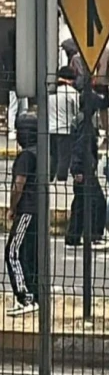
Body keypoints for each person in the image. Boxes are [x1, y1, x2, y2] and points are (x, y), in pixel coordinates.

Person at [66, 96, 109, 251]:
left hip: (82, 167)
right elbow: (80, 147)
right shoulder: (84, 123)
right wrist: (78, 169)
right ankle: (94, 237)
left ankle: (73, 237)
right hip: (84, 169)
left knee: (80, 203)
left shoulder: (79, 119)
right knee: (97, 202)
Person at [5, 113, 39, 316]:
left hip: (26, 209)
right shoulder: (41, 153)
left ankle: (25, 297)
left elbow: (19, 184)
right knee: (30, 253)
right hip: (38, 209)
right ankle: (34, 294)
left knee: (12, 252)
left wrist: (12, 207)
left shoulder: (26, 156)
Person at [48, 66, 79, 182]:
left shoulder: (51, 91)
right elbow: (77, 111)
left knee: (52, 156)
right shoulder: (71, 92)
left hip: (50, 129)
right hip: (65, 130)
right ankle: (61, 179)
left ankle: (49, 177)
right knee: (64, 158)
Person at [3, 31, 26, 141]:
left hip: (12, 82)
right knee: (21, 107)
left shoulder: (6, 53)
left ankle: (12, 129)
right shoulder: (21, 51)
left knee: (14, 107)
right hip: (21, 81)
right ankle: (19, 128)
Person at [91, 48, 109, 136]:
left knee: (102, 109)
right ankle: (103, 132)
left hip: (98, 84)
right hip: (97, 84)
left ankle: (104, 132)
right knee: (102, 109)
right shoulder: (106, 52)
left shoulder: (106, 52)